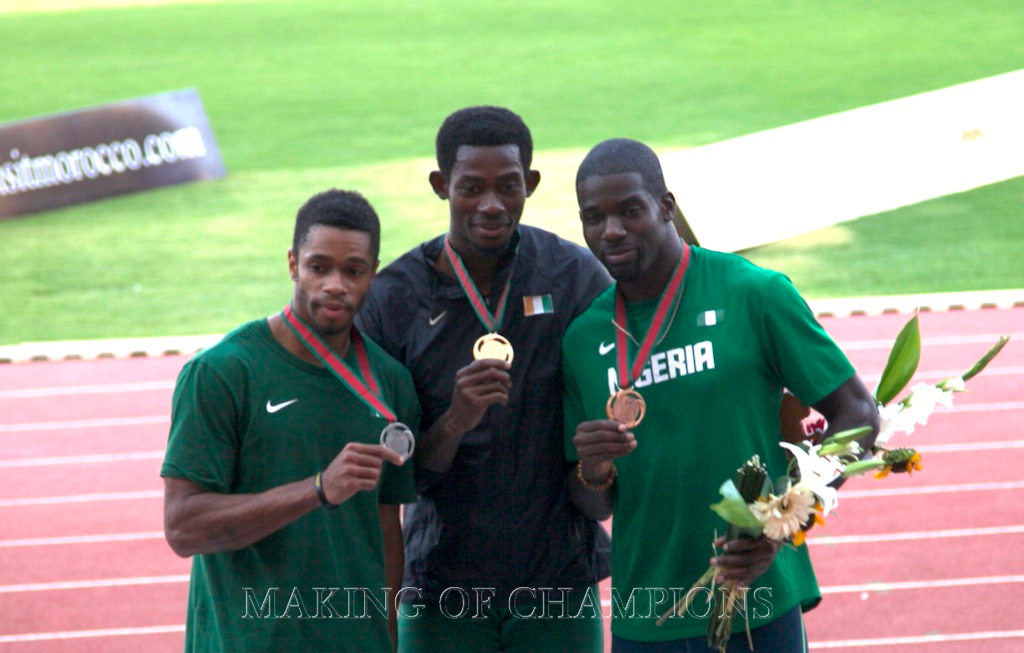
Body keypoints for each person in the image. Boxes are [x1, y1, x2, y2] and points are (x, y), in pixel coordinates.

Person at [562, 139, 880, 652]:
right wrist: (592, 468)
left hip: (756, 599)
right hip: (647, 613)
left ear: (666, 206)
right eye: (593, 217)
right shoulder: (583, 338)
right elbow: (592, 502)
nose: (611, 231)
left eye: (630, 211)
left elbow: (857, 415)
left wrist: (783, 521)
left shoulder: (754, 293)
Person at [355, 105, 613, 652]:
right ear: (440, 185)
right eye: (471, 188)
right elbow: (389, 476)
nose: (491, 205)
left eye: (508, 187)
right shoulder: (393, 298)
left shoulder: (575, 277)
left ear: (532, 184)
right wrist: (453, 422)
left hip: (558, 582)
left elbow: (615, 406)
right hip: (442, 588)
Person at [161, 189, 419, 653]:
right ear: (293, 264)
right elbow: (183, 528)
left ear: (372, 275)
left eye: (353, 270)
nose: (335, 284)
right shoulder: (222, 373)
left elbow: (386, 528)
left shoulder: (391, 382)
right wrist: (318, 489)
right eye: (319, 267)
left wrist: (388, 636)